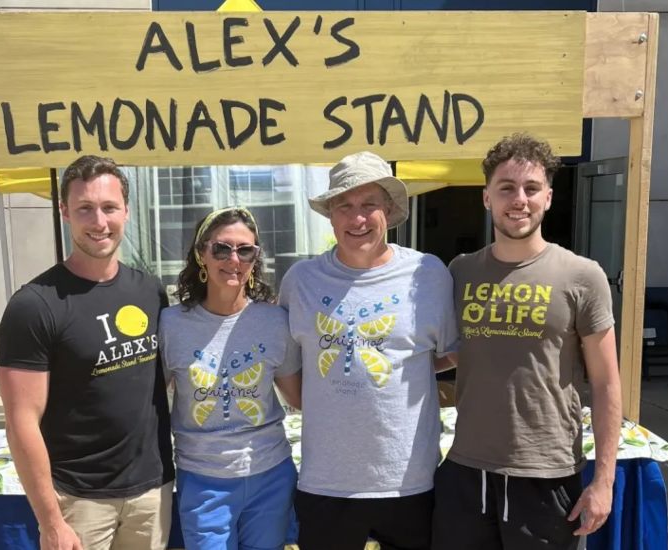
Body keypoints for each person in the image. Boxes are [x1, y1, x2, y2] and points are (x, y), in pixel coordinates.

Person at [433, 133, 623, 549]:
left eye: (531, 188)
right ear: (486, 198)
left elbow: (607, 382)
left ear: (549, 198)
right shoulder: (460, 271)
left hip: (546, 474)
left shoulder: (582, 275)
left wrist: (604, 480)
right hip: (466, 471)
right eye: (506, 188)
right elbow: (454, 351)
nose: (519, 199)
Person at [278, 151, 458, 550]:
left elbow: (450, 353)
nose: (357, 219)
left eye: (368, 205)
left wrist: (403, 365)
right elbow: (289, 370)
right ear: (330, 214)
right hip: (326, 480)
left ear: (389, 210)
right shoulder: (300, 281)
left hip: (409, 480)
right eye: (344, 206)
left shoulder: (428, 275)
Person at [0, 155, 174, 550]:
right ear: (64, 212)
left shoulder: (150, 291)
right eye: (85, 209)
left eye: (109, 207)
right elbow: (21, 422)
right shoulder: (34, 306)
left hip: (151, 493)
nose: (99, 222)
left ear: (126, 210)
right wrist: (51, 521)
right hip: (79, 501)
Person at [160, 206, 302, 550]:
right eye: (221, 248)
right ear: (201, 255)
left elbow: (300, 398)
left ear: (256, 257)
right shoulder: (171, 324)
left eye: (245, 250)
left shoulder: (275, 321)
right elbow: (146, 402)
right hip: (203, 480)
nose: (233, 259)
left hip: (271, 475)